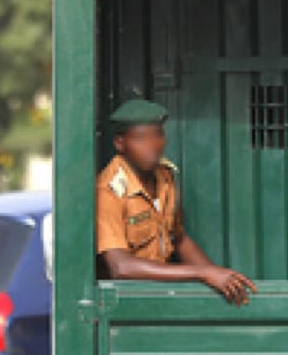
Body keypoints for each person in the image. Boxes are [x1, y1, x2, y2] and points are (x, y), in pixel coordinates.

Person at [96, 98, 258, 305]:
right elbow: (121, 267)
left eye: (158, 135)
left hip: (161, 294)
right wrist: (202, 273)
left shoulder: (165, 177)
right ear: (120, 143)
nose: (152, 145)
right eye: (140, 138)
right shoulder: (109, 191)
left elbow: (178, 238)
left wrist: (219, 276)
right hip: (125, 302)